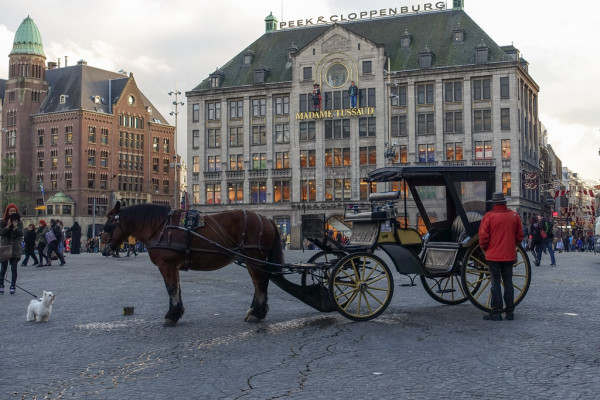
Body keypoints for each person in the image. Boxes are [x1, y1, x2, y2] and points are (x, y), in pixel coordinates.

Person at [478, 192, 523, 321]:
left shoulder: (489, 216)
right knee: (508, 282)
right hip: (509, 255)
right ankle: (510, 312)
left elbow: (483, 237)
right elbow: (520, 236)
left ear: (494, 204)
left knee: (495, 282)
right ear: (505, 203)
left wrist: (485, 248)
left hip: (493, 256)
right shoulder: (514, 216)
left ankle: (496, 311)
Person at [0, 204, 24, 294]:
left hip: (15, 247)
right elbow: (1, 233)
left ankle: (13, 285)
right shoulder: (3, 221)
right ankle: (1, 284)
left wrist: (15, 227)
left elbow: (21, 234)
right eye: (11, 211)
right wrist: (7, 226)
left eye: (14, 211)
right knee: (3, 268)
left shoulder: (20, 222)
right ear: (8, 212)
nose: (12, 212)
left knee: (14, 268)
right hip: (5, 246)